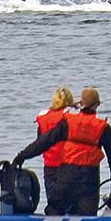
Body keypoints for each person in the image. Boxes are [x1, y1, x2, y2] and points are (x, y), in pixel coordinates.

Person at [14, 87, 111, 216]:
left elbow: (44, 142)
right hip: (89, 179)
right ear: (97, 105)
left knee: (54, 211)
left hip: (66, 176)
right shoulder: (103, 128)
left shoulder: (68, 122)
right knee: (87, 219)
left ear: (81, 103)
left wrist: (22, 156)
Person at [33, 86, 75, 214]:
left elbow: (40, 142)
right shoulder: (71, 117)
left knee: (54, 206)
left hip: (50, 167)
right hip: (68, 166)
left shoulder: (44, 118)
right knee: (71, 208)